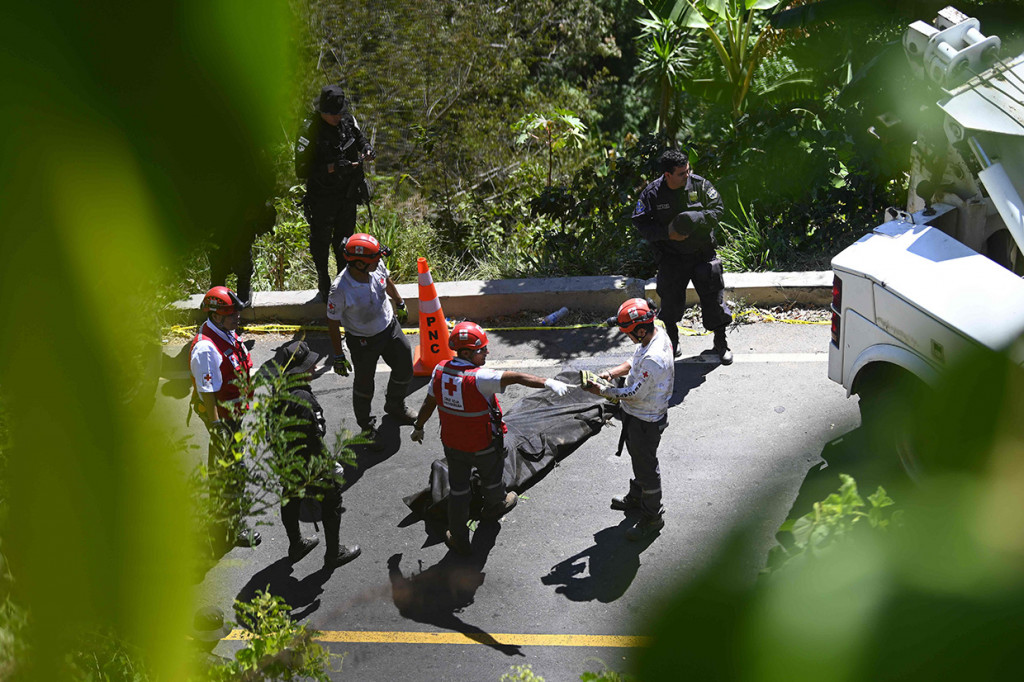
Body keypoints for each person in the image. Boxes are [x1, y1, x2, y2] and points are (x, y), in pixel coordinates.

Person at [409, 321, 572, 555]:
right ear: (466, 352)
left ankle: (458, 537)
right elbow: (516, 377)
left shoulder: (439, 371)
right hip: (483, 444)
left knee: (458, 491)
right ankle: (494, 507)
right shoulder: (480, 378)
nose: (487, 352)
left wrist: (419, 426)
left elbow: (429, 403)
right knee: (493, 478)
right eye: (481, 349)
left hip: (453, 446)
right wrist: (548, 382)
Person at [261, 340, 361, 570]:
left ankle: (296, 544)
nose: (314, 368)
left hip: (286, 460)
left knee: (291, 498)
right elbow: (315, 438)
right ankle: (334, 554)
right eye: (309, 366)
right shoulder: (304, 400)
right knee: (332, 501)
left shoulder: (278, 391)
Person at [583, 298, 674, 541]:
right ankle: (637, 496)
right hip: (638, 415)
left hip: (645, 419)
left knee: (646, 466)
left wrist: (602, 391)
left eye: (627, 333)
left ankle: (653, 516)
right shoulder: (655, 334)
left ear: (641, 330)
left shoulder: (654, 359)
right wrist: (610, 374)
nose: (627, 337)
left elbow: (634, 394)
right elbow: (634, 361)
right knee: (638, 457)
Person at [632, 148, 733, 364]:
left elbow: (718, 210)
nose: (687, 176)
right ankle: (673, 341)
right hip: (672, 257)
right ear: (667, 175)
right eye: (681, 173)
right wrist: (667, 233)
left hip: (702, 253)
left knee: (714, 300)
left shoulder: (700, 185)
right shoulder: (652, 194)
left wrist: (696, 218)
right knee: (670, 303)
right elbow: (641, 223)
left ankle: (721, 342)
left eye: (688, 171)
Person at [189, 286, 260, 547]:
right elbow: (208, 391)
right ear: (216, 316)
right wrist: (218, 426)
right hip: (223, 420)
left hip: (232, 417)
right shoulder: (206, 349)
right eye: (231, 313)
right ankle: (228, 530)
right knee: (231, 474)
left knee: (227, 471)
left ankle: (223, 524)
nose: (237, 317)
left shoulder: (226, 333)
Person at [326, 232, 416, 440]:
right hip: (362, 341)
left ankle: (395, 404)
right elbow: (332, 321)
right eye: (374, 259)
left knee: (404, 367)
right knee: (364, 385)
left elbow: (387, 280)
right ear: (358, 264)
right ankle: (366, 427)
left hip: (389, 327)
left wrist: (399, 302)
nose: (379, 262)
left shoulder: (376, 266)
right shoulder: (340, 289)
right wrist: (338, 355)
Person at [295, 84, 376, 302]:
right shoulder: (309, 130)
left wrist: (367, 149)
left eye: (340, 113)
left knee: (345, 242)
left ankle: (343, 282)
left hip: (347, 194)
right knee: (320, 242)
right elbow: (300, 169)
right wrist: (331, 167)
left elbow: (359, 138)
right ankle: (324, 279)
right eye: (333, 115)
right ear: (322, 112)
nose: (337, 118)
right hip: (322, 196)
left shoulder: (347, 120)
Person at [207, 198, 277, 306]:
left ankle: (240, 294)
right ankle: (219, 296)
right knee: (221, 266)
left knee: (236, 262)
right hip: (224, 224)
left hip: (238, 224)